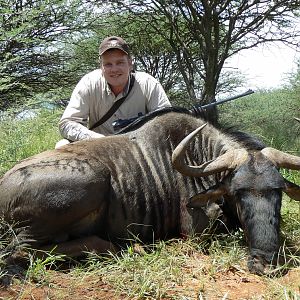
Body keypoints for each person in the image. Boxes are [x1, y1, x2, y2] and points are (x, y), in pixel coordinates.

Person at [55, 36, 171, 148]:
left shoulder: (148, 84)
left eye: (120, 62)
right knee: (62, 145)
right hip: (98, 148)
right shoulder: (88, 83)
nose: (114, 69)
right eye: (108, 64)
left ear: (130, 64)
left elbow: (167, 123)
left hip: (138, 150)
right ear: (101, 67)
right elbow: (67, 123)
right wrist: (99, 140)